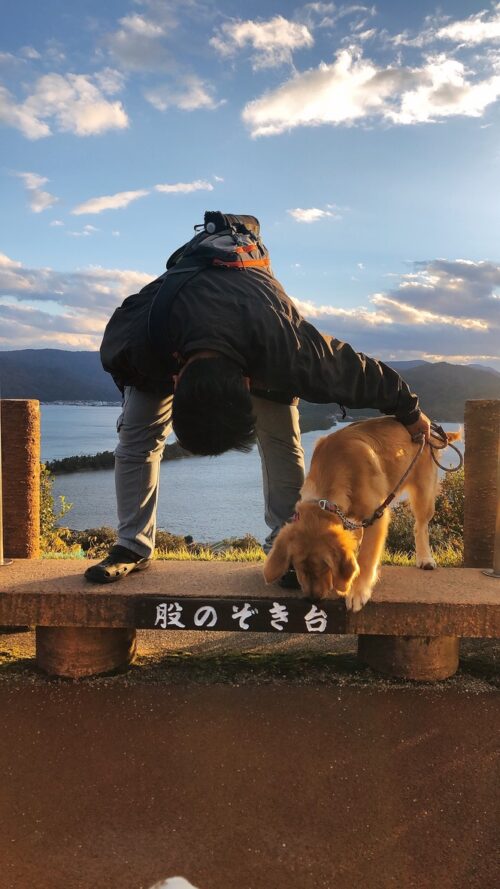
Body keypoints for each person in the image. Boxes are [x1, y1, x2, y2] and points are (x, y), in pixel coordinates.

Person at [85, 212, 430, 584]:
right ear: (176, 377)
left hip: (256, 330)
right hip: (169, 335)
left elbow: (353, 370)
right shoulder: (142, 337)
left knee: (281, 437)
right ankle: (131, 546)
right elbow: (118, 360)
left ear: (249, 382)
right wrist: (132, 401)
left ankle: (288, 543)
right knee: (137, 434)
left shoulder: (286, 346)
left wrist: (410, 411)